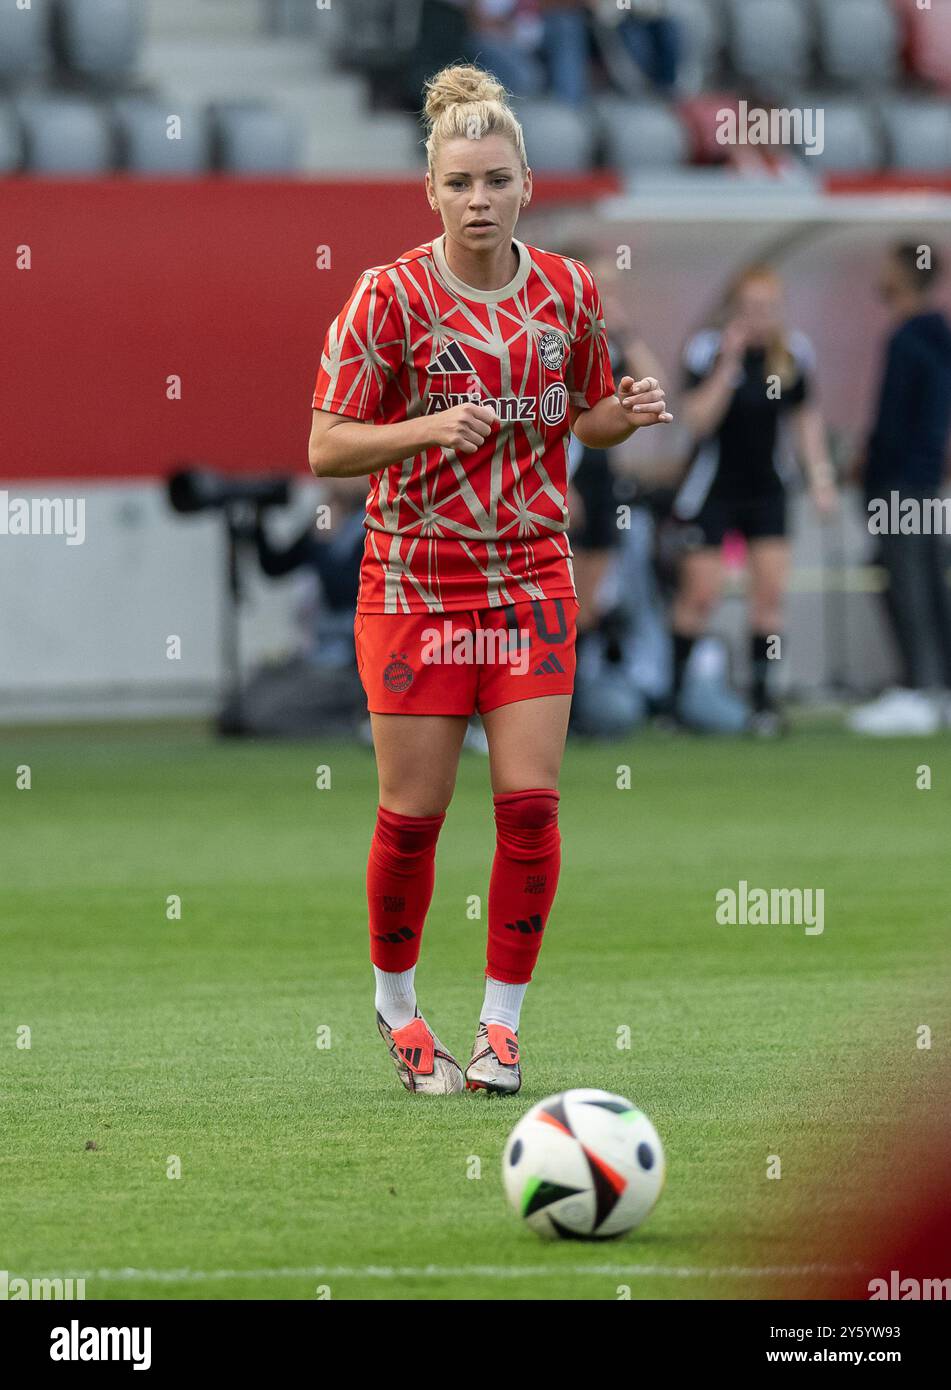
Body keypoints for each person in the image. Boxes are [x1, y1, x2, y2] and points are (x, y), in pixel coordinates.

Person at [308, 63, 672, 1096]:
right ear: (431, 189)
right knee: (412, 819)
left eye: (495, 180)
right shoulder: (387, 296)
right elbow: (327, 448)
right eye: (459, 182)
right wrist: (428, 423)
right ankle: (395, 999)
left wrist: (626, 411)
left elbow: (585, 415)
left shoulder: (567, 291)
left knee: (530, 807)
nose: (477, 200)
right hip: (416, 587)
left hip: (528, 581)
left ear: (527, 185)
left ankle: (501, 1029)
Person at [668, 263, 837, 734]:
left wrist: (820, 478)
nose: (759, 317)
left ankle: (763, 702)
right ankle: (674, 700)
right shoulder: (708, 349)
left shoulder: (793, 354)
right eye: (750, 308)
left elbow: (805, 420)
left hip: (768, 489)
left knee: (768, 596)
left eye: (768, 308)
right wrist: (728, 365)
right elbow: (697, 420)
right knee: (701, 594)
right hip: (713, 489)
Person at [849, 243, 951, 735]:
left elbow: (894, 421)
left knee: (907, 580)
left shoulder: (910, 338)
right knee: (927, 579)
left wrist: (871, 464)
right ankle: (935, 687)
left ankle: (920, 689)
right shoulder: (937, 335)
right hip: (925, 480)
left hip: (902, 482)